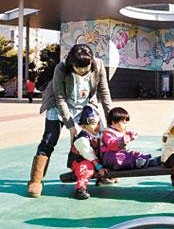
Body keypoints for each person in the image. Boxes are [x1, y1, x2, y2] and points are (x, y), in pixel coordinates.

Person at [29, 44, 113, 198]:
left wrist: (111, 118)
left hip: (84, 104)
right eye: (78, 68)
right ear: (71, 63)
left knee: (97, 138)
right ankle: (35, 180)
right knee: (49, 139)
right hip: (58, 105)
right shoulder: (61, 69)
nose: (82, 71)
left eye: (85, 67)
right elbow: (60, 98)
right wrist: (70, 125)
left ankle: (100, 175)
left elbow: (104, 91)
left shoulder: (98, 65)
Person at [67, 105, 108, 199]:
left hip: (95, 160)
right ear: (83, 125)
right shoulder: (82, 138)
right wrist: (99, 167)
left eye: (98, 123)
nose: (97, 126)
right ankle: (80, 188)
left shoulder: (98, 135)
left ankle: (102, 178)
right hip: (80, 161)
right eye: (93, 124)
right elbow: (89, 154)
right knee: (87, 168)